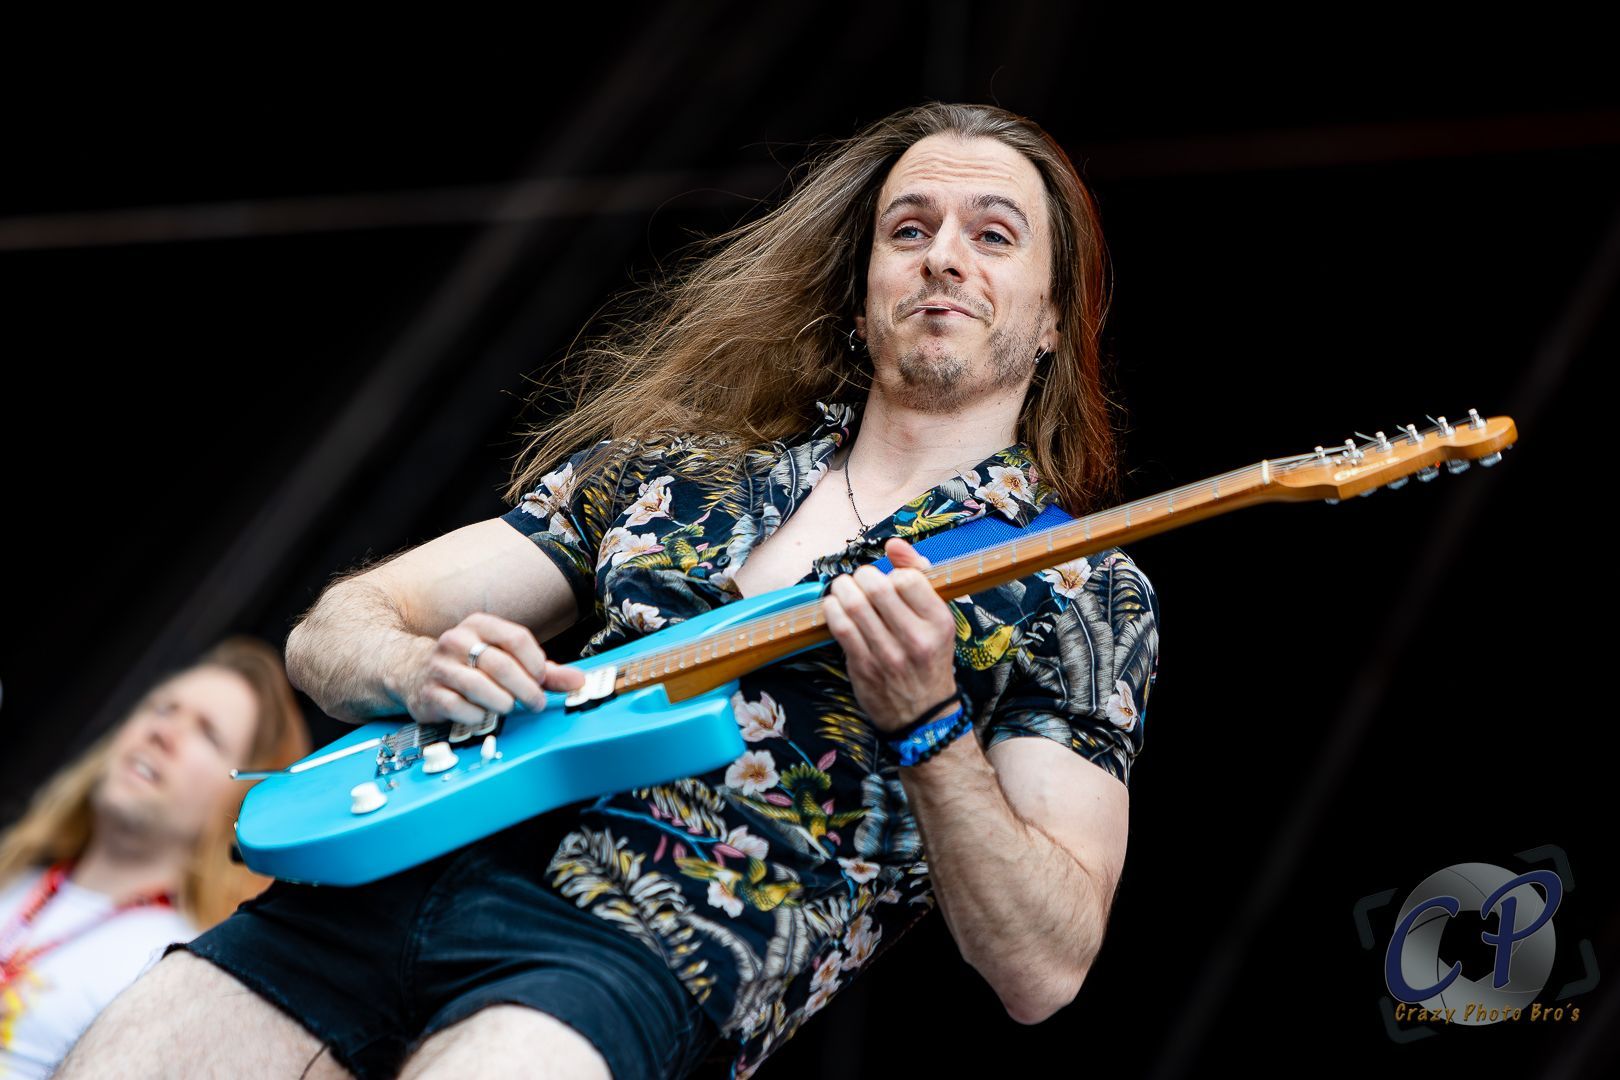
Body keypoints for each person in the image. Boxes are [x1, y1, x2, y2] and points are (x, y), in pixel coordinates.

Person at [57, 102, 1162, 1080]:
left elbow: (1044, 965)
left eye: (994, 235)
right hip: (399, 868)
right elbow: (331, 632)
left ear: (1053, 318)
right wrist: (417, 667)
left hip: (650, 943)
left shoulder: (1079, 591)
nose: (943, 258)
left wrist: (930, 725)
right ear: (862, 293)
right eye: (907, 230)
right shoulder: (670, 473)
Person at [0, 636, 310, 1079]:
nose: (163, 733)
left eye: (207, 733)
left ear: (241, 803)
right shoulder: (14, 872)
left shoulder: (181, 971)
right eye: (163, 708)